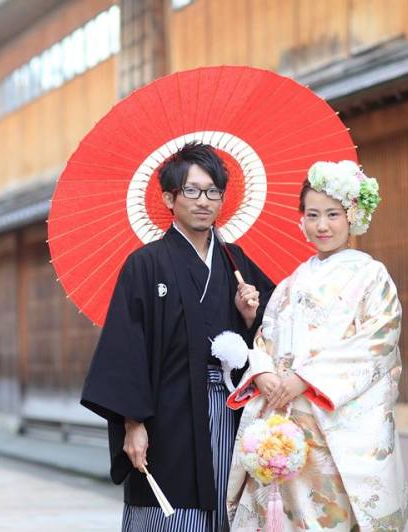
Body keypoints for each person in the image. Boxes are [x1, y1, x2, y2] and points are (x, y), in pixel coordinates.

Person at [81, 142, 275, 532]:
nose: (203, 201)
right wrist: (132, 423)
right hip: (165, 415)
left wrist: (254, 317)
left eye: (213, 191)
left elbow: (278, 331)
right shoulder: (145, 264)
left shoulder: (235, 262)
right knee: (168, 509)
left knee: (228, 502)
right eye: (192, 190)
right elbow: (126, 348)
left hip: (230, 409)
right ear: (169, 198)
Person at [226, 160, 408, 531]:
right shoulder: (290, 284)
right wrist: (263, 371)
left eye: (332, 214)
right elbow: (266, 337)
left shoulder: (371, 275)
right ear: (302, 221)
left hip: (337, 424)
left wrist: (305, 379)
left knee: (334, 517)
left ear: (352, 217)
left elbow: (378, 340)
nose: (322, 225)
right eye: (312, 215)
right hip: (288, 423)